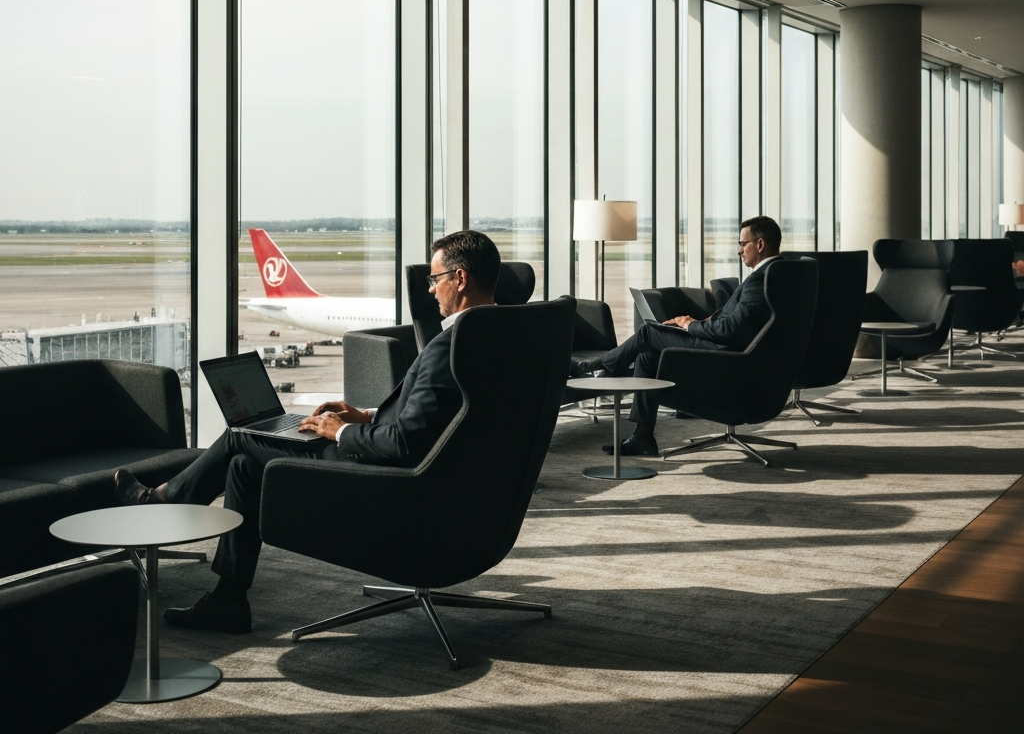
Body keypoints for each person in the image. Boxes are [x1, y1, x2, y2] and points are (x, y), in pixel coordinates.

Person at [113, 229, 500, 633]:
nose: (432, 291)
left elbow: (405, 443)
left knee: (240, 436)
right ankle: (228, 600)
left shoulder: (449, 344)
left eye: (435, 280)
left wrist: (339, 433)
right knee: (244, 467)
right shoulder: (494, 334)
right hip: (445, 482)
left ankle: (161, 502)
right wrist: (365, 416)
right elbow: (438, 419)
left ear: (459, 279)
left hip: (395, 483)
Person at [574, 215, 782, 457]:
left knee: (649, 332)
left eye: (741, 243)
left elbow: (730, 331)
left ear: (759, 244)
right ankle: (642, 437)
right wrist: (703, 321)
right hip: (737, 350)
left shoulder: (760, 280)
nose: (739, 250)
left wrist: (690, 325)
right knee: (647, 357)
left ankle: (594, 367)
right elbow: (739, 320)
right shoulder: (780, 274)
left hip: (728, 356)